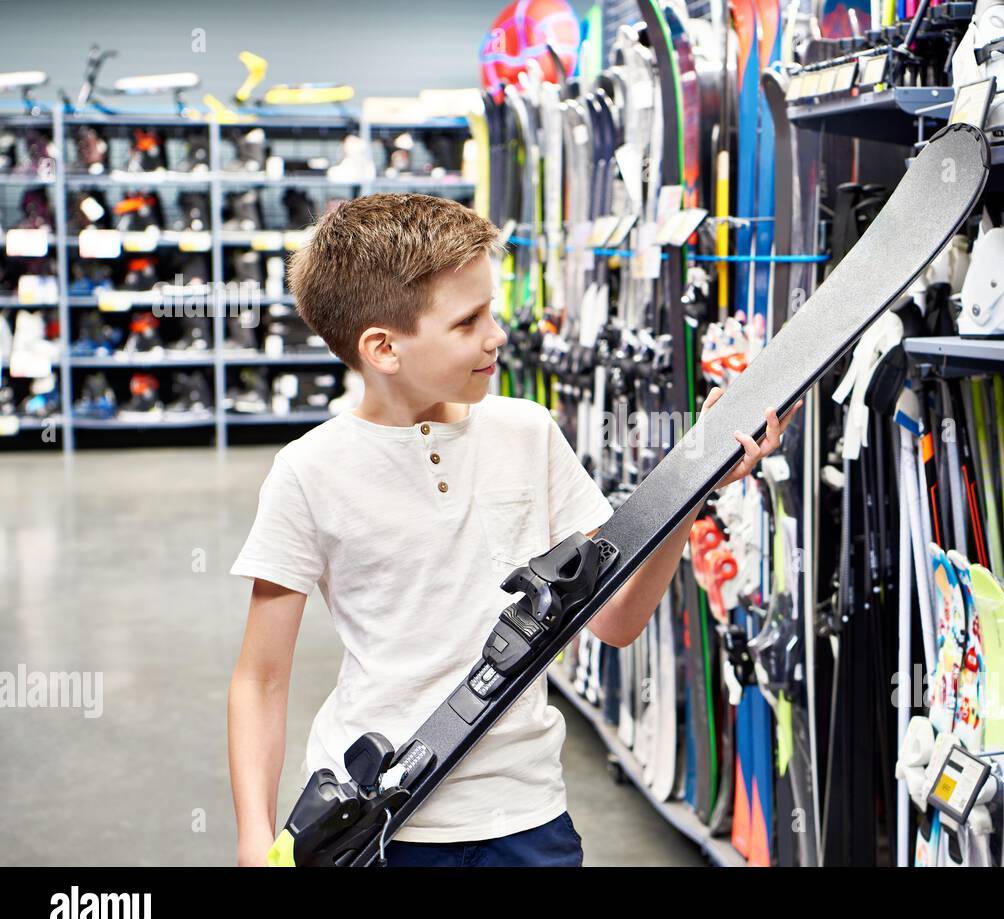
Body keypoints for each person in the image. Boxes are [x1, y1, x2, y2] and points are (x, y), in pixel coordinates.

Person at [227, 193, 795, 867]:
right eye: (469, 321)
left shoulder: (526, 433)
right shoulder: (308, 471)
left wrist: (694, 487)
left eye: (490, 310)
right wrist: (253, 837)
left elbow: (614, 621)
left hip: (526, 817)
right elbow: (259, 679)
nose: (497, 334)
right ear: (383, 347)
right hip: (379, 824)